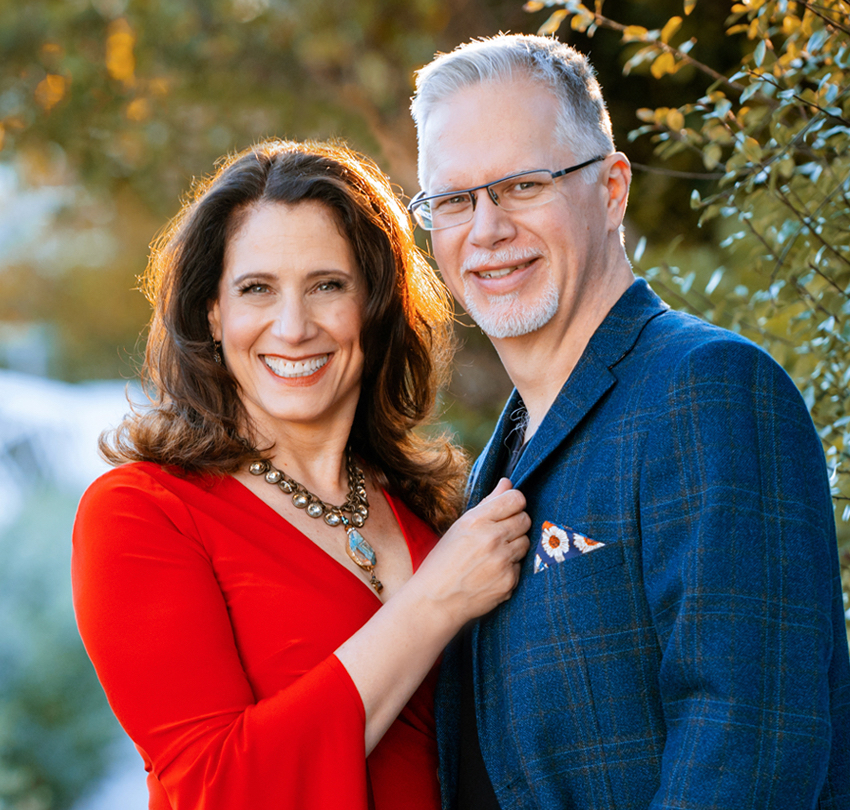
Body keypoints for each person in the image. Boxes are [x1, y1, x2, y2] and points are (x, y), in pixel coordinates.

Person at [408, 34, 850, 809]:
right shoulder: (495, 466)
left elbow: (744, 750)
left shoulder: (707, 390)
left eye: (522, 185)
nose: (486, 229)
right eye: (453, 200)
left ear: (612, 189)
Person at [71, 139, 531, 810]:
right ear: (213, 311)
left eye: (327, 286)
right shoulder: (143, 512)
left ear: (375, 304)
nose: (292, 327)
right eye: (257, 289)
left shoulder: (432, 511)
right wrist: (435, 603)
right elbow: (219, 790)